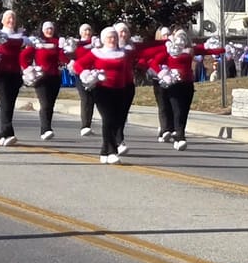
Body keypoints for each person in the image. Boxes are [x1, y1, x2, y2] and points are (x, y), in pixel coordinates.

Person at [82, 24, 137, 162]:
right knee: (108, 119)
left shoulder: (123, 53)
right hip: (102, 90)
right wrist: (87, 74)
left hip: (120, 90)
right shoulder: (96, 52)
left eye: (114, 37)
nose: (112, 40)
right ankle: (112, 151)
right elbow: (79, 65)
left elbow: (126, 73)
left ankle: (104, 151)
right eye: (109, 37)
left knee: (116, 121)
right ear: (103, 39)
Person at [150, 31, 197, 150]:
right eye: (179, 38)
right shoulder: (169, 51)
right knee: (177, 110)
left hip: (187, 84)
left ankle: (178, 133)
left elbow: (208, 51)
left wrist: (219, 49)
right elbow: (154, 63)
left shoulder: (190, 50)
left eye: (184, 37)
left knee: (184, 112)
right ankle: (179, 137)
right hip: (174, 84)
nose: (181, 40)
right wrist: (161, 73)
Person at [0, 10, 27, 146]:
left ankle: (3, 134)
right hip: (1, 73)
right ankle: (7, 133)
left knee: (10, 103)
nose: (11, 21)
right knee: (5, 101)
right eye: (8, 18)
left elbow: (29, 47)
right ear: (3, 21)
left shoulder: (19, 35)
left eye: (13, 19)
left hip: (15, 73)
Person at [23, 22, 65, 141]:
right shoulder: (37, 42)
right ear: (42, 30)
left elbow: (63, 59)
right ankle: (45, 129)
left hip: (55, 77)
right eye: (47, 29)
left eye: (51, 28)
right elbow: (23, 56)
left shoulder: (57, 42)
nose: (49, 31)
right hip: (41, 77)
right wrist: (28, 69)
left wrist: (62, 49)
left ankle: (47, 127)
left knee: (50, 104)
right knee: (45, 103)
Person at [71, 23, 97, 136]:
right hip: (80, 74)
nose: (87, 32)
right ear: (81, 33)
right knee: (85, 98)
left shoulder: (96, 44)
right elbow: (66, 55)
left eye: (89, 30)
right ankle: (85, 126)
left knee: (92, 100)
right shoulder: (77, 45)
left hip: (93, 75)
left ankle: (88, 125)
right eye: (85, 30)